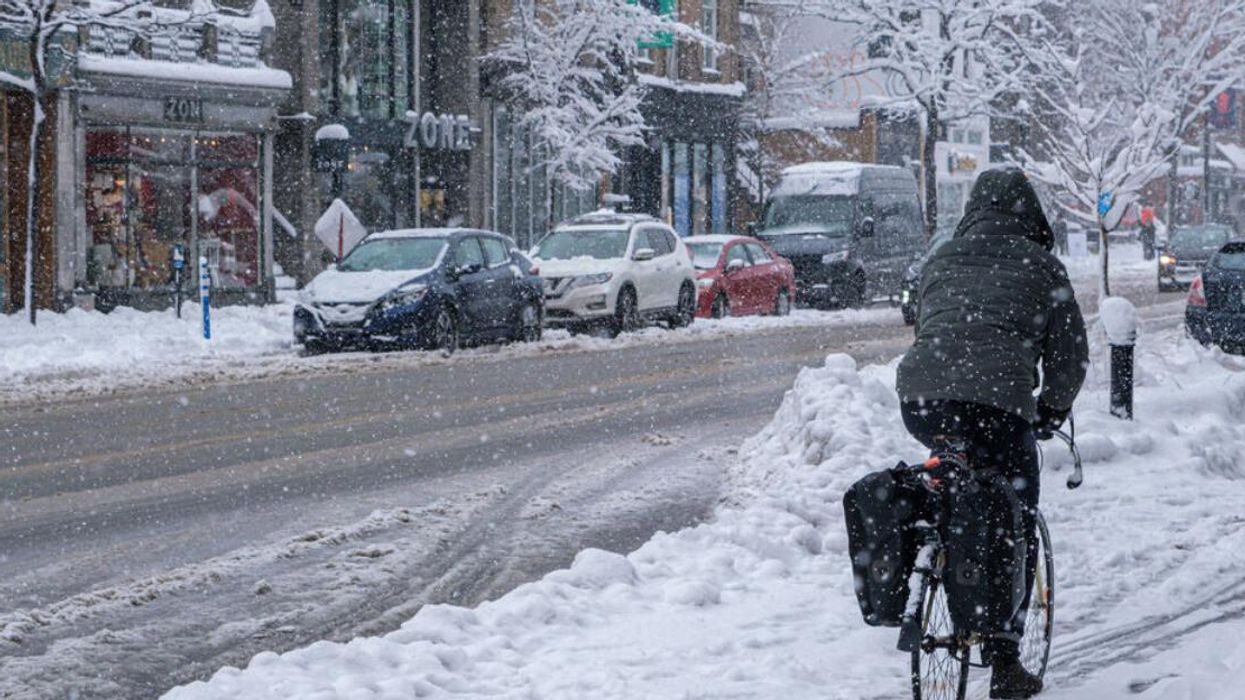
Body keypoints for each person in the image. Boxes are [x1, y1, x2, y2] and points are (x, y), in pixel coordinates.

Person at [896, 168, 1088, 699]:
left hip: (923, 399)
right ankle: (1005, 660)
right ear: (1029, 213)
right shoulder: (1043, 265)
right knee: (1014, 514)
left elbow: (931, 328)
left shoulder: (942, 258)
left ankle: (944, 555)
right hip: (1000, 407)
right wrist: (1049, 412)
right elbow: (1070, 360)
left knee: (955, 477)